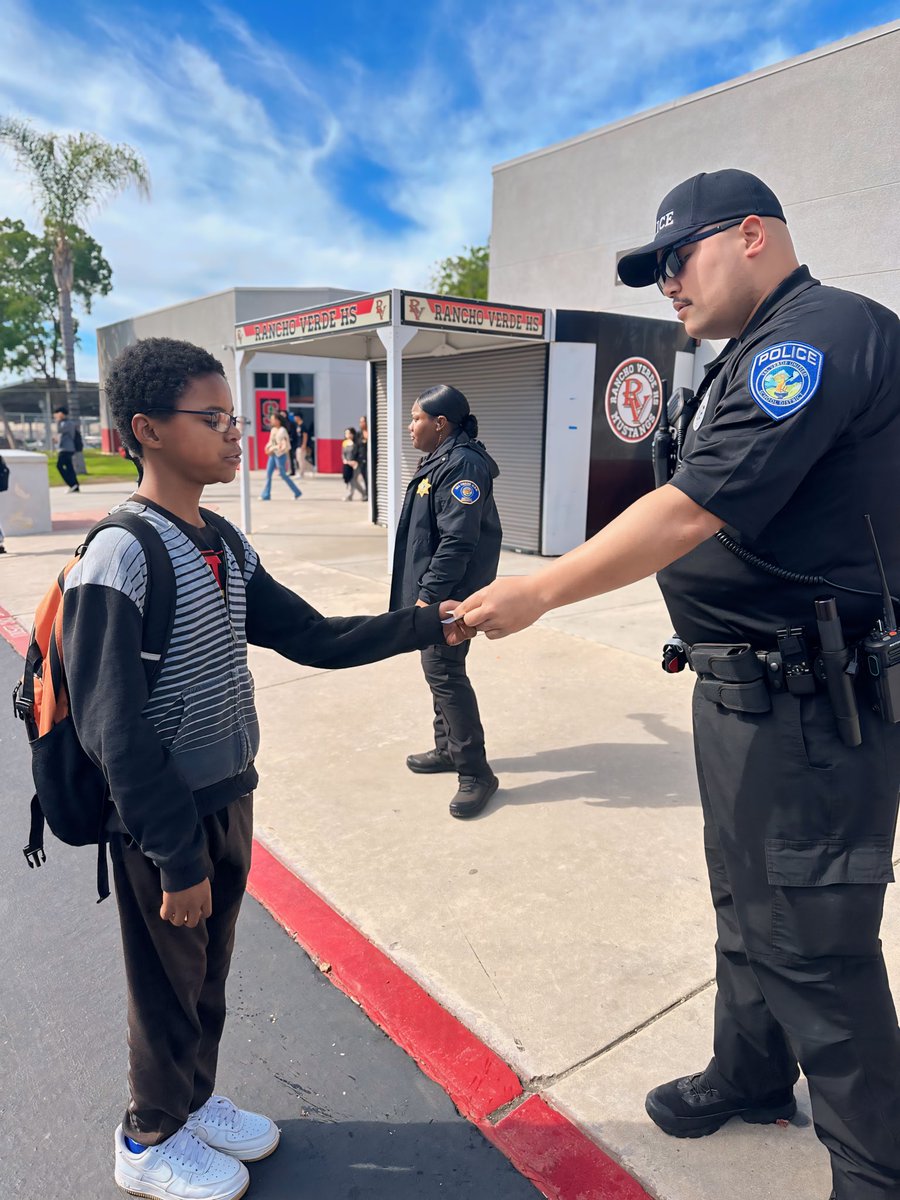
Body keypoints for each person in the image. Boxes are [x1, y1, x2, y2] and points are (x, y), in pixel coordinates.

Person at [454, 170, 900, 1200]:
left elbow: (692, 510)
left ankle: (877, 1172)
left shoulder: (813, 339)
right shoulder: (740, 353)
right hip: (743, 697)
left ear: (752, 236)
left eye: (678, 258)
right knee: (746, 910)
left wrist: (543, 592)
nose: (666, 284)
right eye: (654, 269)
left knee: (818, 951)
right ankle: (749, 1077)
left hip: (809, 713)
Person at [66, 337, 464, 1200]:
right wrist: (173, 854)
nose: (235, 432)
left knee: (208, 971)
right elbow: (113, 729)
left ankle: (195, 1101)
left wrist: (429, 623)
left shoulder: (223, 541)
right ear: (149, 431)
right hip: (162, 818)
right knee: (165, 984)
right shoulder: (121, 554)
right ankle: (147, 1137)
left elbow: (312, 636)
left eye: (233, 417)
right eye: (212, 419)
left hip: (228, 795)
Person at [391, 384, 502, 819]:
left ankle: (476, 772)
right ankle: (448, 749)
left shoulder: (464, 465)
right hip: (438, 592)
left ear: (440, 423)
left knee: (444, 672)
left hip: (449, 597)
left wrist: (428, 600)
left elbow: (457, 542)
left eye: (416, 417)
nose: (410, 425)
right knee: (439, 669)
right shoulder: (443, 457)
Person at [260, 410, 301, 501]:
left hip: (280, 456)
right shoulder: (273, 430)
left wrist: (273, 449)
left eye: (273, 419)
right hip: (272, 455)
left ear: (278, 420)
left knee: (283, 475)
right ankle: (266, 495)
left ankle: (297, 492)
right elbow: (271, 441)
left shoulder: (283, 431)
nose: (271, 421)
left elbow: (284, 445)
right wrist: (267, 448)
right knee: (268, 474)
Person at [53, 404, 81, 492]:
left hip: (66, 449)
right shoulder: (65, 423)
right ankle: (75, 486)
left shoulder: (67, 423)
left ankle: (71, 484)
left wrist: (57, 420)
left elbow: (59, 430)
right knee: (69, 467)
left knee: (59, 466)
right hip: (65, 448)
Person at [341, 426, 365, 501]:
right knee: (350, 480)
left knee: (354, 480)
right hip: (347, 464)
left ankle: (360, 493)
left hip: (355, 464)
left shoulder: (356, 443)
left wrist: (355, 462)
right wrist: (345, 460)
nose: (347, 435)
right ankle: (360, 493)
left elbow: (358, 453)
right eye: (346, 433)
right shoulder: (345, 443)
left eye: (348, 433)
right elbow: (343, 453)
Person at [354, 415, 368, 500]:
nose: (361, 423)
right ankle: (366, 493)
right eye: (360, 422)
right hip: (361, 459)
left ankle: (369, 493)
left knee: (368, 477)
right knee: (363, 477)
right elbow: (356, 447)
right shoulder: (359, 434)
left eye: (362, 421)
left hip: (369, 459)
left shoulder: (371, 432)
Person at [283, 409, 299, 476]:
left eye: (283, 414)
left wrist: (289, 439)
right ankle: (284, 470)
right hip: (282, 443)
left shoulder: (290, 423)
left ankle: (293, 470)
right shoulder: (281, 425)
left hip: (290, 443)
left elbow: (293, 434)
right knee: (284, 458)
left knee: (291, 457)